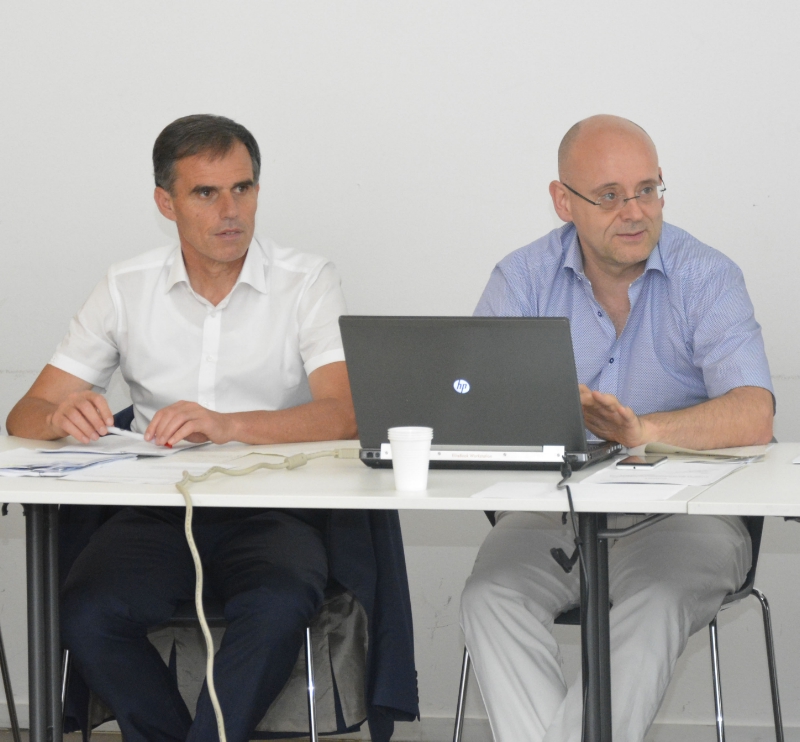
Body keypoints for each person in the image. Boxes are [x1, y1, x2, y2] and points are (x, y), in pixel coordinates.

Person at [6, 115, 418, 742]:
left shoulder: (306, 280)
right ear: (165, 203)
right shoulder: (126, 286)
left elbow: (345, 413)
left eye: (242, 188)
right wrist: (59, 415)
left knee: (278, 606)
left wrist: (227, 425)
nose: (231, 211)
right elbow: (25, 413)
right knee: (86, 613)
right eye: (205, 192)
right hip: (156, 511)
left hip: (274, 510)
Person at [459, 114, 774, 742]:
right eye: (609, 196)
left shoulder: (706, 275)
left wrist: (641, 430)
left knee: (654, 604)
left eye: (647, 190)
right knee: (488, 596)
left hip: (686, 519)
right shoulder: (522, 279)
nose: (635, 212)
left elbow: (754, 412)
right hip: (553, 515)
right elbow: (475, 407)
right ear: (563, 202)